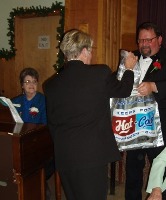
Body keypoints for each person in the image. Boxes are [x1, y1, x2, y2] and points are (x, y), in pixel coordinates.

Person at [43, 29, 137, 200]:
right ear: (85, 50)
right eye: (91, 50)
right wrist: (129, 69)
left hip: (65, 155)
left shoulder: (50, 84)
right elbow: (123, 90)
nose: (92, 55)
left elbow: (53, 123)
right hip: (91, 156)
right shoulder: (99, 73)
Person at [125, 22, 166, 200]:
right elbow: (119, 83)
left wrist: (154, 86)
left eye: (148, 39)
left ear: (159, 39)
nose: (144, 44)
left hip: (160, 124)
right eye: (140, 40)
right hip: (135, 122)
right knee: (132, 169)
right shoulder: (131, 57)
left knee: (162, 167)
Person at [11, 67, 53, 199]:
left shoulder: (43, 101)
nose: (31, 85)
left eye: (34, 81)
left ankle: (39, 189)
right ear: (22, 85)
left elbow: (45, 126)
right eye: (27, 82)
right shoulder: (15, 102)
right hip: (20, 141)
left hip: (38, 142)